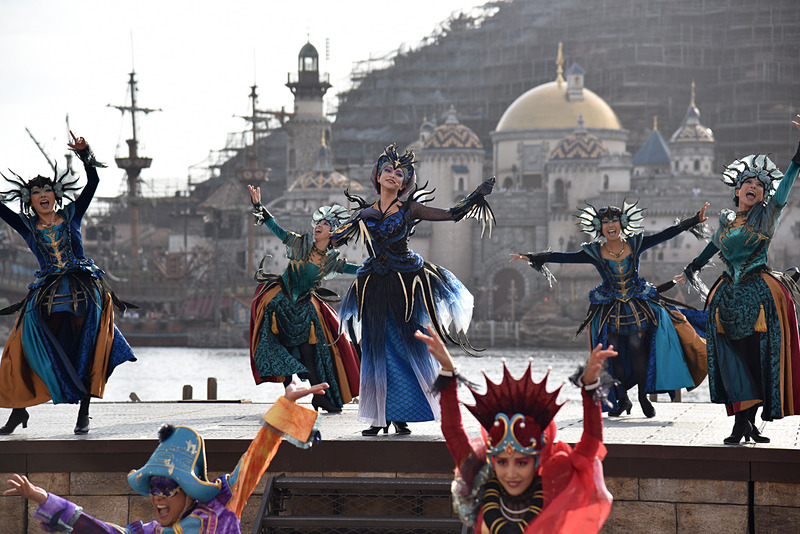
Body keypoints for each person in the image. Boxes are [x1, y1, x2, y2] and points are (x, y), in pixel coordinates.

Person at [4, 381, 328, 533]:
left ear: (189, 491)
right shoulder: (150, 532)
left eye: (167, 487)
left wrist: (284, 409)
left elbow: (254, 461)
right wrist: (41, 496)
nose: (157, 495)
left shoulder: (221, 510)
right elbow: (100, 530)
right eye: (155, 487)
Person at [331, 143, 495, 435]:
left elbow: (451, 215)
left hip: (405, 286)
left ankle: (402, 414)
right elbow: (336, 239)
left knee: (406, 348)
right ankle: (379, 416)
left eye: (400, 173)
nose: (393, 176)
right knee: (375, 350)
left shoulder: (410, 209)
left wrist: (475, 196)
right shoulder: (365, 213)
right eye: (388, 171)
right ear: (378, 176)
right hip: (374, 284)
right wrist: (324, 235)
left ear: (405, 182)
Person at [510, 200, 709, 418]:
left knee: (637, 349)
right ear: (600, 227)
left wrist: (693, 221)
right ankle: (623, 398)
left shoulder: (636, 243)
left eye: (614, 220)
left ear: (622, 223)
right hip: (610, 308)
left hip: (637, 304)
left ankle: (643, 397)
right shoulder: (595, 252)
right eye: (606, 222)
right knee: (611, 354)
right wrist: (532, 257)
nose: (611, 224)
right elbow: (564, 257)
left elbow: (665, 234)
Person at [415, 324, 617, 533]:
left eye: (521, 463)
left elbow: (591, 445)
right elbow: (453, 430)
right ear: (493, 460)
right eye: (502, 462)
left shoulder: (555, 481)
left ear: (537, 459)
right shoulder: (479, 477)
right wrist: (448, 371)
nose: (510, 473)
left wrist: (590, 387)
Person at [0, 131, 136, 435]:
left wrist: (86, 154)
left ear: (55, 195)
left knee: (88, 347)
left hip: (83, 285)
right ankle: (17, 411)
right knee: (19, 346)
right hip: (46, 289)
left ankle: (84, 413)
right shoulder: (26, 226)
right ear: (30, 200)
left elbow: (94, 183)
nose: (42, 193)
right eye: (36, 191)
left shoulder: (72, 213)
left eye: (47, 189)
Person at [683, 115, 800, 444]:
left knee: (755, 360)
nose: (754, 187)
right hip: (727, 298)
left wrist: (798, 157)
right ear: (737, 190)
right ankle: (745, 424)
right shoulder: (727, 220)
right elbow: (714, 244)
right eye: (748, 183)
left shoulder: (767, 216)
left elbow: (785, 190)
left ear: (764, 195)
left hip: (759, 297)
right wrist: (694, 265)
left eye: (760, 185)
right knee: (731, 361)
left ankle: (741, 426)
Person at [247, 185, 360, 413]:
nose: (319, 225)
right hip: (279, 303)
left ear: (334, 233)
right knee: (282, 348)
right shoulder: (300, 244)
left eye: (326, 224)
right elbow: (277, 229)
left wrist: (382, 264)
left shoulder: (331, 262)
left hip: (305, 309)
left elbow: (357, 269)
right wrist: (259, 206)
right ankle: (291, 393)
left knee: (311, 353)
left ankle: (320, 396)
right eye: (320, 222)